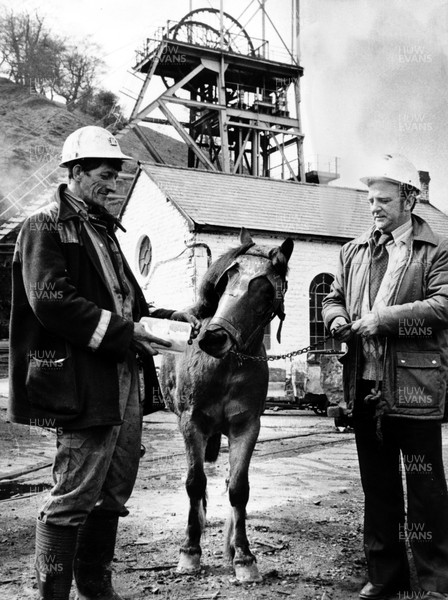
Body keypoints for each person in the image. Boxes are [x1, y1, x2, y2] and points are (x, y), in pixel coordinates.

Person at [8, 125, 200, 600]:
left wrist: (170, 319)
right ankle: (51, 593)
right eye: (103, 174)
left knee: (113, 490)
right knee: (73, 495)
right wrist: (124, 332)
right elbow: (50, 300)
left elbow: (130, 305)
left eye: (116, 176)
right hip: (80, 379)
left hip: (122, 379)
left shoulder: (103, 232)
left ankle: (96, 587)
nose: (112, 184)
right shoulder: (45, 226)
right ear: (74, 171)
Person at [322, 154, 448, 600]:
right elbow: (333, 297)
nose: (373, 207)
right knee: (379, 490)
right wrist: (337, 318)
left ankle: (436, 582)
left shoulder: (437, 249)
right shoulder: (353, 250)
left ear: (410, 199)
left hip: (414, 388)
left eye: (384, 200)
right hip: (365, 387)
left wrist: (382, 320)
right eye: (370, 200)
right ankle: (385, 576)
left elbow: (443, 305)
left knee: (426, 490)